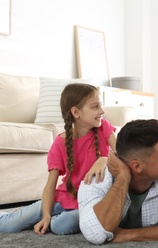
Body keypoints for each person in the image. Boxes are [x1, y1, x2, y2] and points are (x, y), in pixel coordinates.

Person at [0, 83, 116, 235]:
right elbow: (50, 185)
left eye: (100, 106)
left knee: (61, 226)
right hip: (63, 198)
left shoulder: (104, 128)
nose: (102, 111)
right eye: (95, 107)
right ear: (76, 112)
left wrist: (104, 159)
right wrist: (46, 215)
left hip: (90, 203)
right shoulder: (60, 143)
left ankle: (57, 219)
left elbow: (124, 154)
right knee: (8, 225)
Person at [77, 119, 158, 245]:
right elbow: (95, 233)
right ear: (137, 166)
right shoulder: (99, 175)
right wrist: (122, 178)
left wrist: (127, 235)